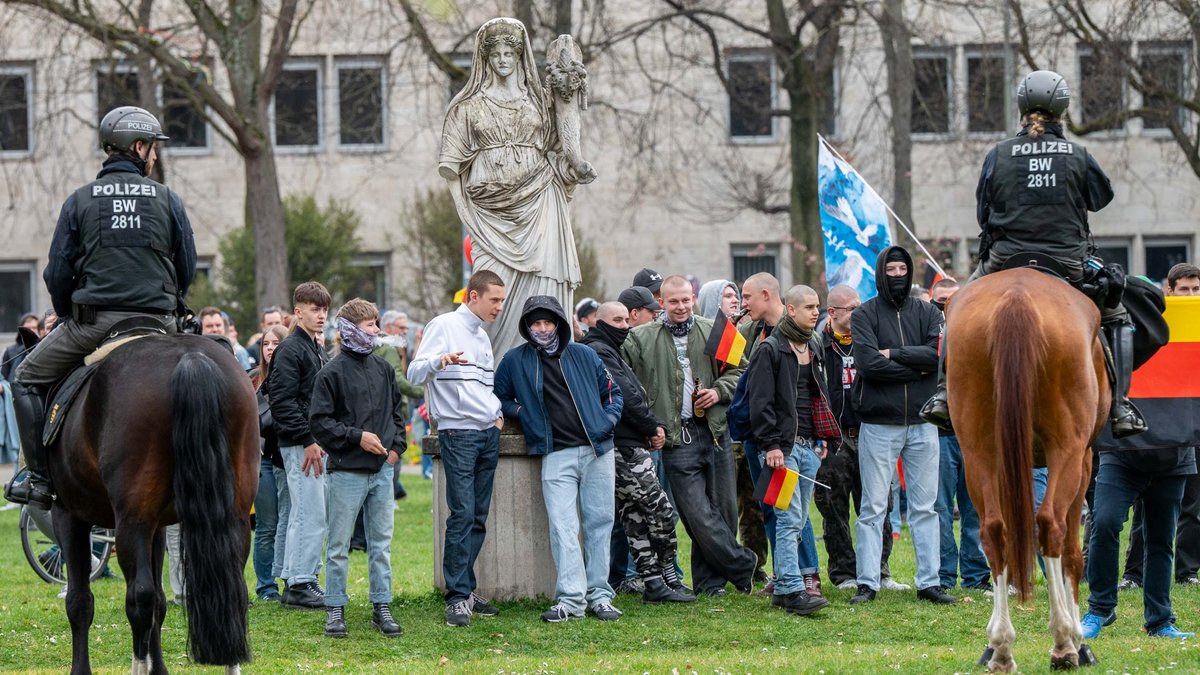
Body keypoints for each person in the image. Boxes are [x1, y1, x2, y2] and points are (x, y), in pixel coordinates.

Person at [921, 69, 1144, 438]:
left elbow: (983, 212)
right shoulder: (1077, 153)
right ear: (1063, 109)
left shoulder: (999, 154)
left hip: (1004, 259)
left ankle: (944, 394)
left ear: (1022, 108)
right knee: (1117, 316)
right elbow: (1101, 199)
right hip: (1069, 263)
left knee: (957, 308)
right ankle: (1121, 407)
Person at [4, 106, 196, 510]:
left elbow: (57, 271)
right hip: (159, 324)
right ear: (138, 147)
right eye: (153, 149)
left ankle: (38, 479)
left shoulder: (79, 201)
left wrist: (65, 311)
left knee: (23, 375)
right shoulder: (168, 199)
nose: (155, 157)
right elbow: (187, 266)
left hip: (94, 326)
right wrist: (171, 305)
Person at [439, 17, 592, 358]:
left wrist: (574, 164)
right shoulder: (467, 107)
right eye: (497, 54)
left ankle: (546, 367)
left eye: (511, 53)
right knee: (494, 293)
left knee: (544, 285)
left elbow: (558, 146)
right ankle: (495, 375)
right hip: (489, 215)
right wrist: (467, 212)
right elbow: (451, 168)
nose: (504, 60)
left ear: (520, 56)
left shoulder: (538, 102)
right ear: (486, 59)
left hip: (539, 201)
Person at [623, 274, 758, 596]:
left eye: (686, 300)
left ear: (693, 298)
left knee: (723, 512)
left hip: (715, 432)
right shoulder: (640, 338)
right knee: (698, 515)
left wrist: (719, 391)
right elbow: (622, 374)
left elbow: (744, 370)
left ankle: (711, 584)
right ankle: (743, 564)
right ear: (662, 304)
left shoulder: (716, 329)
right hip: (675, 438)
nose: (681, 306)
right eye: (673, 301)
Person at [495, 296, 625, 622]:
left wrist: (606, 421)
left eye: (548, 322)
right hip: (555, 453)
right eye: (535, 323)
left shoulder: (584, 354)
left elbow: (612, 393)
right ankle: (571, 600)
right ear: (527, 326)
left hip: (598, 451)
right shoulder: (514, 360)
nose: (542, 328)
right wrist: (521, 412)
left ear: (559, 324)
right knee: (563, 527)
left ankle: (600, 596)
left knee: (599, 524)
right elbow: (498, 397)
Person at [849, 246, 954, 605]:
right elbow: (866, 363)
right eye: (890, 268)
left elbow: (937, 357)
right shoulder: (864, 315)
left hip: (924, 423)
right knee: (873, 507)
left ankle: (930, 581)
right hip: (878, 424)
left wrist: (892, 353)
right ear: (881, 272)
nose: (897, 274)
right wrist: (916, 367)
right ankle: (867, 582)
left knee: (926, 507)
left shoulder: (928, 311)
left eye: (902, 268)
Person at [408, 270, 507, 628]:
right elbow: (415, 373)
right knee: (463, 513)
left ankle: (464, 589)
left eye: (501, 300)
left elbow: (485, 387)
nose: (499, 306)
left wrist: (496, 416)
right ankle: (456, 597)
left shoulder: (481, 335)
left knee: (477, 515)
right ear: (473, 296)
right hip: (459, 433)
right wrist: (440, 361)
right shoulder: (444, 325)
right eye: (494, 299)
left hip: (486, 432)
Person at [581, 301, 694, 604]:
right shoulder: (599, 350)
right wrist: (652, 425)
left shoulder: (609, 349)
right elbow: (625, 395)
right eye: (616, 320)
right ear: (600, 322)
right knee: (661, 510)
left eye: (624, 320)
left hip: (624, 443)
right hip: (625, 445)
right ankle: (668, 574)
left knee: (634, 515)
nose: (624, 326)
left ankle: (654, 582)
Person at [310, 298, 407, 638]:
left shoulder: (382, 369)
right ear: (350, 330)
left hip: (381, 473)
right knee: (338, 546)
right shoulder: (330, 373)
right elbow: (320, 422)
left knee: (381, 544)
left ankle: (382, 606)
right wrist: (356, 437)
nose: (376, 331)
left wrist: (396, 450)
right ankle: (335, 608)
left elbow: (397, 412)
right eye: (369, 325)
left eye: (376, 324)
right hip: (346, 473)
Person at [745, 284, 831, 616]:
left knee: (796, 518)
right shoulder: (770, 349)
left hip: (810, 446)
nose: (816, 312)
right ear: (791, 310)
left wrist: (823, 438)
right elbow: (760, 403)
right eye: (809, 306)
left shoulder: (814, 344)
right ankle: (792, 588)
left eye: (817, 307)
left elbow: (819, 398)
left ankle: (785, 587)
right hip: (784, 448)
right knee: (788, 518)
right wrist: (771, 446)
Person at [812, 285, 901, 591]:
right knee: (832, 507)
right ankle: (844, 574)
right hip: (834, 438)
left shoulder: (870, 339)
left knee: (878, 505)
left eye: (859, 306)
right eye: (850, 308)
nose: (857, 312)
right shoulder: (818, 345)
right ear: (833, 312)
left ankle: (880, 571)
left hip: (871, 432)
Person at [1081, 441, 1196, 639]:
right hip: (1120, 454)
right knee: (1104, 523)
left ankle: (1159, 621)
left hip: (1174, 458)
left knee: (1161, 539)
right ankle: (1100, 609)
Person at [268, 281, 332, 610]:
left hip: (308, 441)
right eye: (314, 309)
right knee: (310, 512)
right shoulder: (292, 349)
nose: (321, 315)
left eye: (323, 310)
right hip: (300, 443)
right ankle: (301, 582)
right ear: (298, 311)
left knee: (303, 512)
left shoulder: (311, 347)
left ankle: (297, 579)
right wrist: (307, 439)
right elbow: (282, 401)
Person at [927, 279, 990, 592]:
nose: (946, 307)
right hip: (939, 434)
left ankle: (977, 576)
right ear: (932, 300)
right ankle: (944, 575)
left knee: (974, 509)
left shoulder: (977, 328)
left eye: (952, 300)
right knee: (939, 508)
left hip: (974, 434)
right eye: (941, 302)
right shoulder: (930, 326)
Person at [250, 324, 289, 601]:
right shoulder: (252, 381)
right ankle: (266, 586)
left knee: (289, 523)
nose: (270, 348)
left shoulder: (291, 377)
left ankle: (293, 580)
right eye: (266, 344)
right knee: (267, 525)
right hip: (261, 460)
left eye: (276, 343)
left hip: (287, 458)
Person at [373, 310, 424, 499]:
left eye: (406, 328)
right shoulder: (388, 347)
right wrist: (423, 392)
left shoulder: (382, 346)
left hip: (382, 410)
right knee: (395, 454)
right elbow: (398, 380)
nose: (404, 331)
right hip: (393, 411)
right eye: (401, 327)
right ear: (387, 327)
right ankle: (391, 496)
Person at [1, 313, 38, 382]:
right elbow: (4, 378)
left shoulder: (43, 347)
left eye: (34, 328)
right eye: (28, 328)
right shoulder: (9, 351)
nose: (31, 331)